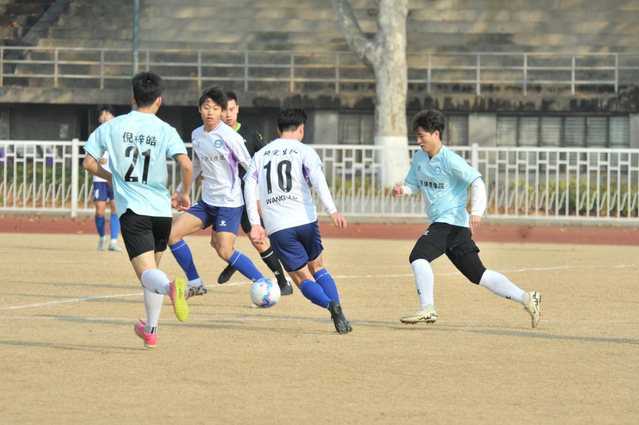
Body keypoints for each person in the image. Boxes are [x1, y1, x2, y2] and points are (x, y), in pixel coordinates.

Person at [393, 109, 541, 328]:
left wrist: (476, 212)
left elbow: (477, 181)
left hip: (450, 221)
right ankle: (527, 298)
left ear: (436, 134)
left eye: (422, 136)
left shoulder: (451, 160)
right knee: (479, 275)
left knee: (418, 256)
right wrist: (404, 190)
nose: (419, 141)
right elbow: (416, 185)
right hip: (454, 227)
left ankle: (427, 308)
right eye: (417, 136)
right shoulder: (419, 158)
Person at [82, 72, 194, 348]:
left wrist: (110, 177)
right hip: (161, 212)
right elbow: (186, 164)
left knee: (148, 275)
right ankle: (151, 331)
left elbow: (88, 162)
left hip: (134, 211)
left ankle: (171, 288)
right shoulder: (166, 129)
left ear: (133, 99)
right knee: (152, 272)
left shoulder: (112, 126)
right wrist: (184, 192)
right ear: (159, 101)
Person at [244, 107, 352, 334]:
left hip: (278, 227)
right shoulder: (305, 151)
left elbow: (249, 188)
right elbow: (318, 181)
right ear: (301, 129)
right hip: (306, 221)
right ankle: (340, 311)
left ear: (278, 129)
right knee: (318, 267)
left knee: (301, 278)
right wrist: (332, 211)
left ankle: (330, 306)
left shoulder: (260, 155)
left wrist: (255, 223)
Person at [168, 86, 265, 299]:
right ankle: (195, 283)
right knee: (172, 235)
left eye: (215, 108)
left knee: (224, 251)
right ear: (199, 109)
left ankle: (262, 282)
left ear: (221, 111)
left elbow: (250, 167)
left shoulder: (230, 136)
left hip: (229, 203)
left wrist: (258, 196)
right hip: (207, 202)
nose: (210, 112)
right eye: (206, 107)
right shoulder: (197, 135)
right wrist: (180, 190)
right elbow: (195, 165)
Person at [215, 90, 292, 295]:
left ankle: (283, 282)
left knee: (257, 240)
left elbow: (267, 159)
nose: (228, 114)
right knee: (217, 243)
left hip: (247, 197)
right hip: (224, 198)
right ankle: (235, 261)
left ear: (238, 109)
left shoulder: (249, 134)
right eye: (224, 110)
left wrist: (264, 191)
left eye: (232, 109)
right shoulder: (213, 135)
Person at [91, 105, 122, 252]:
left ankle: (113, 241)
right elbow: (89, 156)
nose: (104, 117)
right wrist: (97, 159)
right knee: (100, 211)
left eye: (108, 114)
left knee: (116, 208)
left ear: (113, 117)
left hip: (115, 177)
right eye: (102, 115)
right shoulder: (95, 135)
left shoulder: (118, 134)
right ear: (99, 119)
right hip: (100, 178)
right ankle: (102, 237)